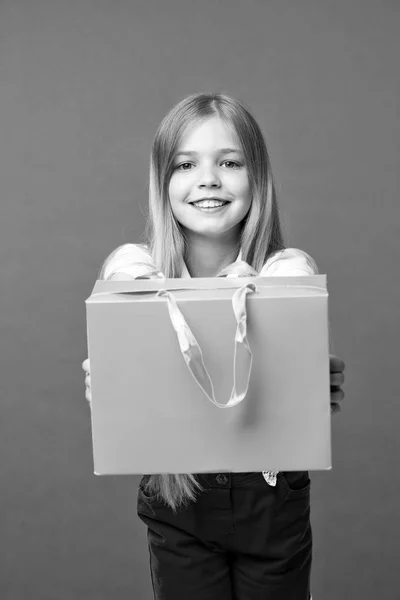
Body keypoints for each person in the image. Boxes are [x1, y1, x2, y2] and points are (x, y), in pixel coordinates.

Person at [82, 93, 346, 599]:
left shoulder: (285, 266)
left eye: (229, 162)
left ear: (258, 180)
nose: (208, 179)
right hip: (179, 497)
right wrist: (116, 374)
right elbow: (124, 292)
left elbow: (295, 297)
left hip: (269, 496)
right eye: (185, 164)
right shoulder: (136, 263)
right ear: (163, 184)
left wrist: (249, 296)